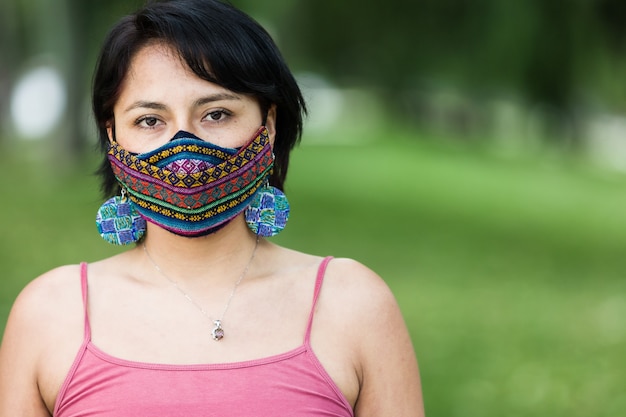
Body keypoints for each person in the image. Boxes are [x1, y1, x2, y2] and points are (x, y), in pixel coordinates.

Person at [0, 0, 425, 415]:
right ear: (113, 137)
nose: (185, 151)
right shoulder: (50, 314)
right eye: (150, 120)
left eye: (217, 114)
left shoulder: (354, 305)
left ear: (269, 126)